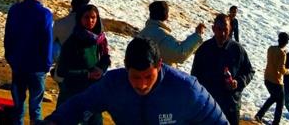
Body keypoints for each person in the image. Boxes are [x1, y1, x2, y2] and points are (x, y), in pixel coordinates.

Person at [41, 37, 228, 125]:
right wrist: (55, 121)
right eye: (135, 77)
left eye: (148, 76)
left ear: (159, 65)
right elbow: (81, 105)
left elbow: (218, 122)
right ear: (125, 67)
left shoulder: (186, 89)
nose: (142, 84)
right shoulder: (114, 84)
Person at [6, 0, 54, 125]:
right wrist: (47, 64)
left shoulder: (15, 9)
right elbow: (47, 41)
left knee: (18, 106)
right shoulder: (45, 14)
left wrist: (10, 57)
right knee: (36, 108)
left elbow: (8, 36)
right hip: (37, 66)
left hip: (19, 63)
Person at [190, 13, 254, 125]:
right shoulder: (204, 49)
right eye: (219, 29)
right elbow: (195, 77)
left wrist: (238, 82)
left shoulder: (237, 49)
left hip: (230, 107)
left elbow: (249, 71)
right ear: (213, 29)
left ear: (230, 30)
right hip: (208, 105)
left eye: (226, 29)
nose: (222, 33)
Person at [55, 4, 112, 124]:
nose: (90, 21)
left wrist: (101, 69)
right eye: (86, 17)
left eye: (93, 17)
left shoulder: (100, 40)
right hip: (72, 92)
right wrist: (87, 74)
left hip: (92, 92)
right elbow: (61, 71)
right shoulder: (72, 42)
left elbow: (106, 58)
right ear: (80, 18)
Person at [136, 1, 205, 65]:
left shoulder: (143, 32)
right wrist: (197, 34)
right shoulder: (162, 35)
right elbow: (179, 54)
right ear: (166, 15)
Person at [254, 32, 289, 125]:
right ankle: (275, 122)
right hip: (277, 81)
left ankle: (259, 114)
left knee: (274, 97)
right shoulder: (283, 54)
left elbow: (274, 57)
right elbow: (281, 69)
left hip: (267, 78)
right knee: (280, 102)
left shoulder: (270, 49)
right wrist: (288, 71)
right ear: (286, 42)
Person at [53, 0, 92, 74]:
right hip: (88, 71)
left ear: (72, 4)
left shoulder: (60, 24)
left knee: (55, 42)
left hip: (65, 71)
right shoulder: (95, 25)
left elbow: (50, 44)